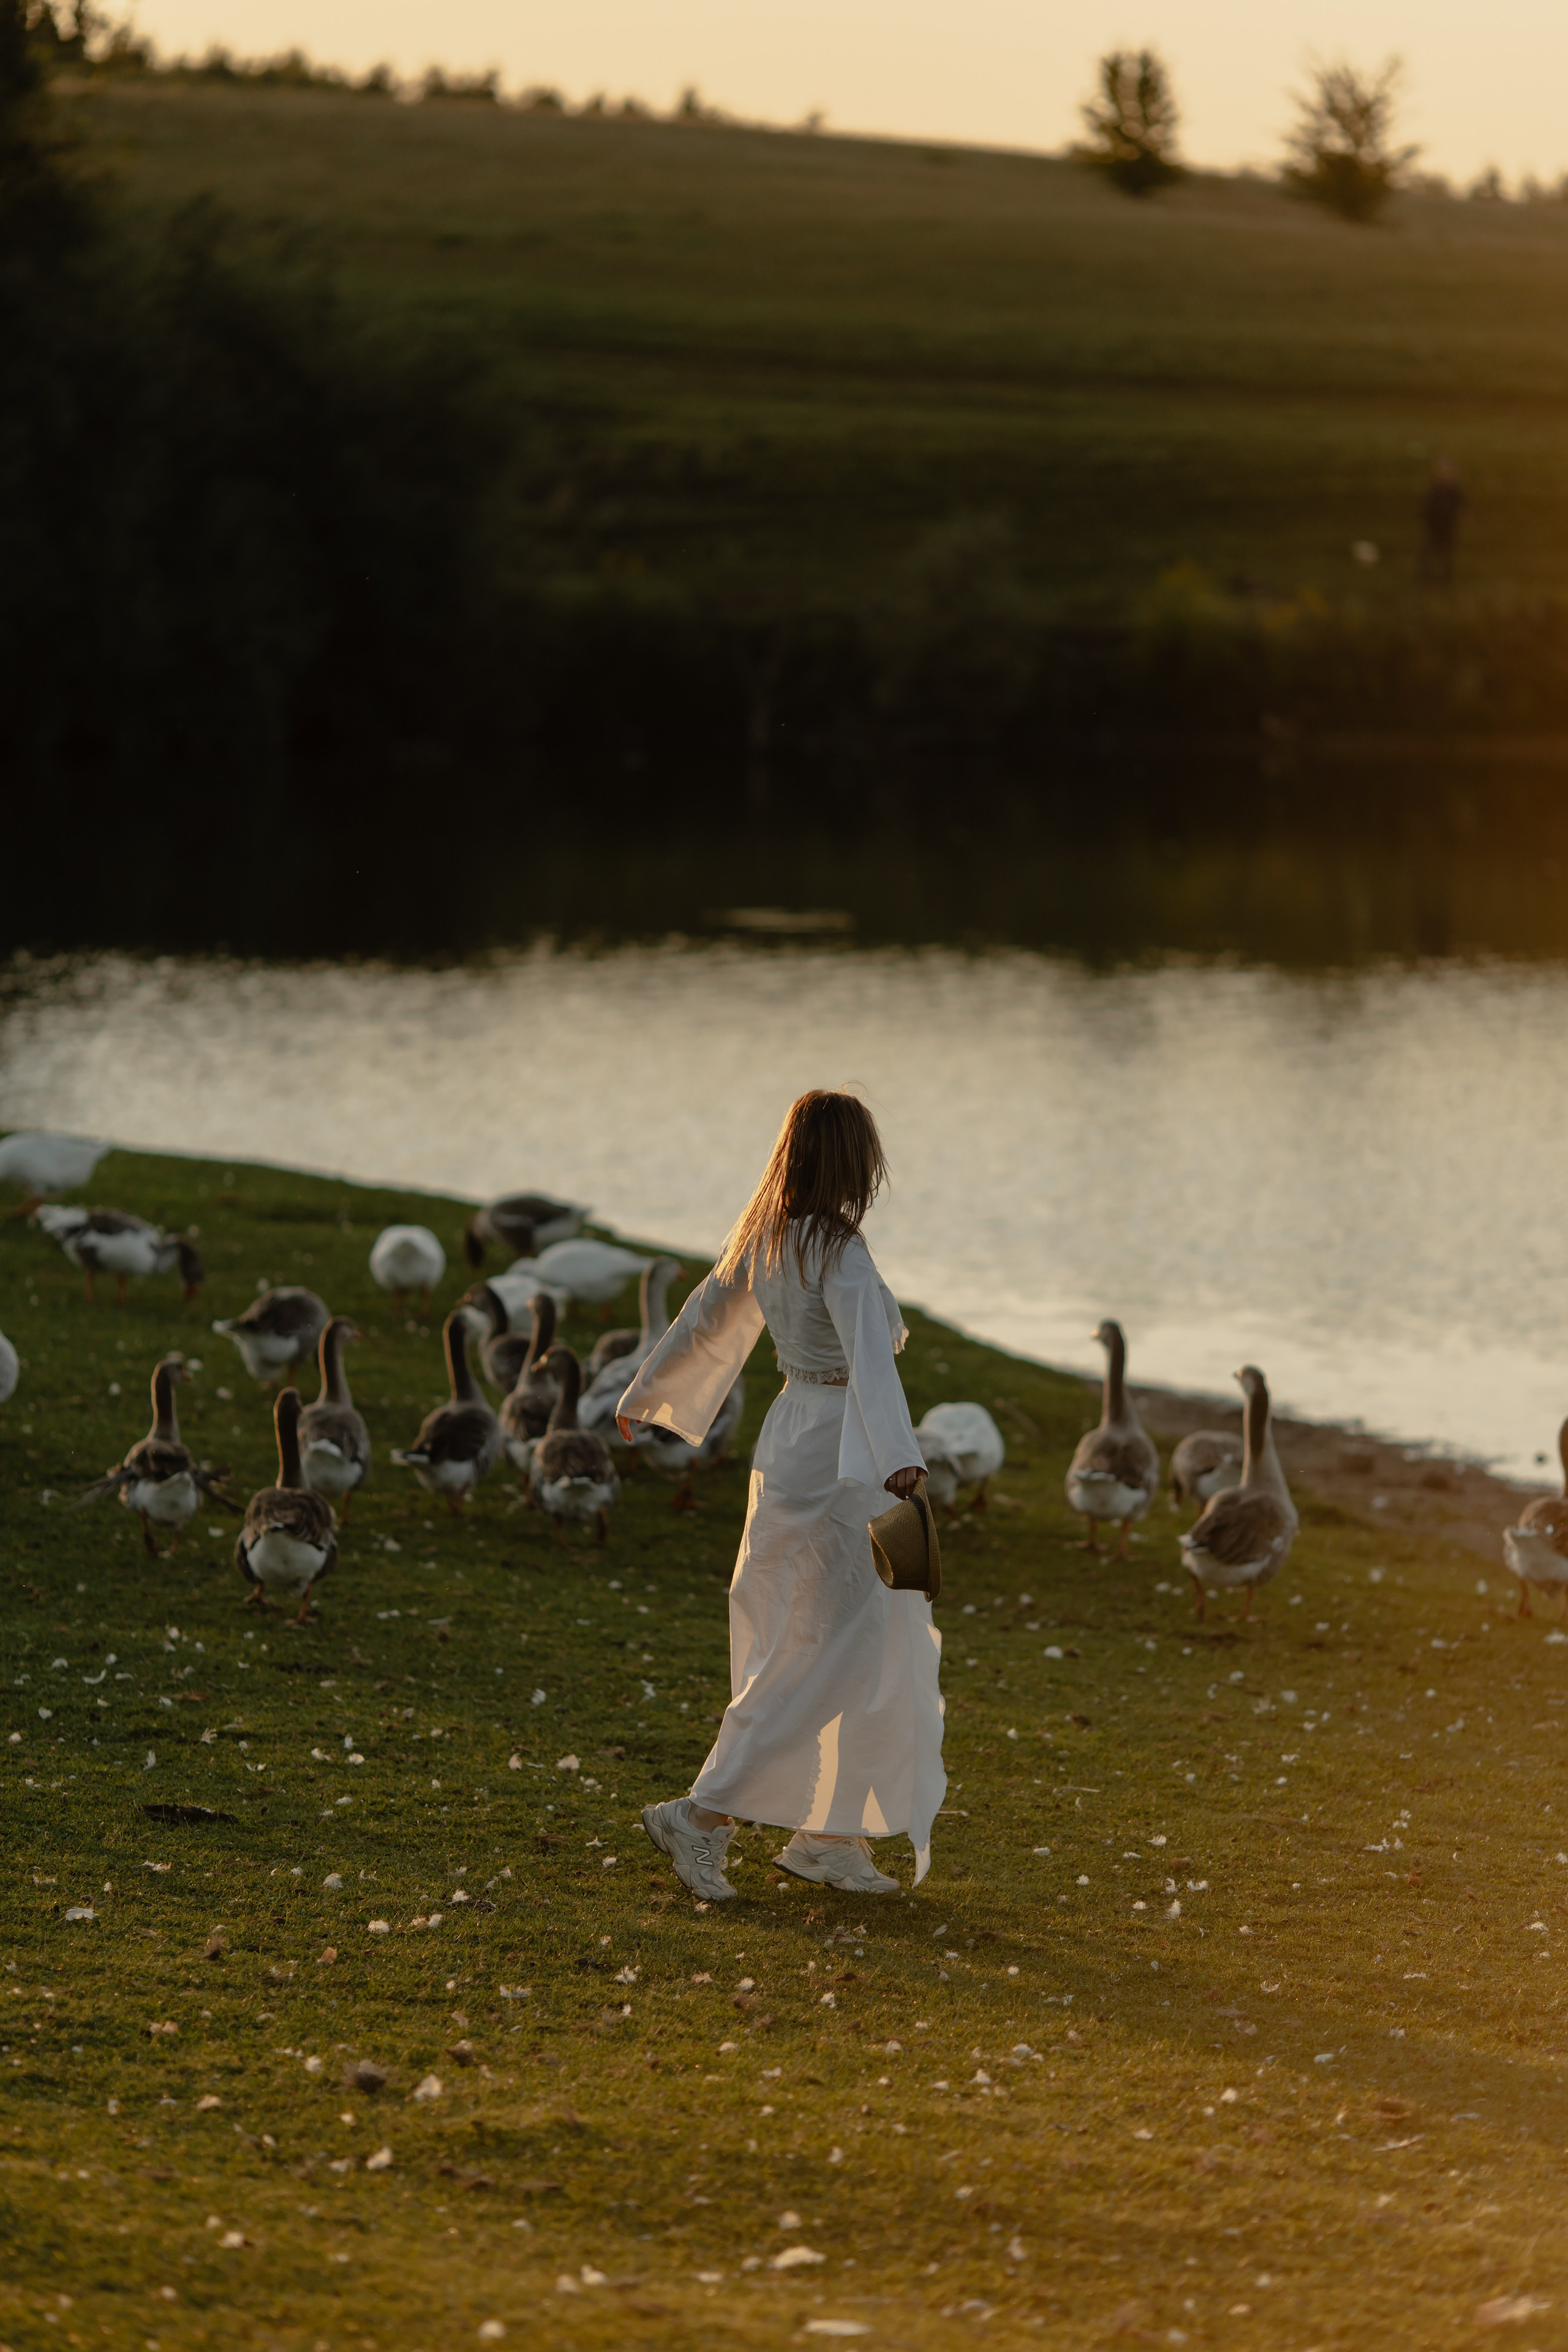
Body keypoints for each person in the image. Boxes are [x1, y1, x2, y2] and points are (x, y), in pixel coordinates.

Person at [616, 1090, 944, 1901]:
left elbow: (706, 1315)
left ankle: (828, 1836)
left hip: (793, 1434)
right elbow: (871, 1358)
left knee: (817, 1637)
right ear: (853, 1162)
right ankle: (702, 1815)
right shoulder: (840, 1251)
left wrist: (650, 1392)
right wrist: (900, 1458)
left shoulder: (767, 1235)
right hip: (844, 1451)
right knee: (834, 1647)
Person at [1420, 456, 1466, 584]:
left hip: (1448, 526)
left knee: (1447, 553)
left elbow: (1462, 505)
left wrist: (1461, 515)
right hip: (1435, 526)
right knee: (1430, 551)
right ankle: (1425, 577)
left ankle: (1446, 579)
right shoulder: (1434, 489)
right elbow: (1427, 507)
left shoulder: (1454, 489)